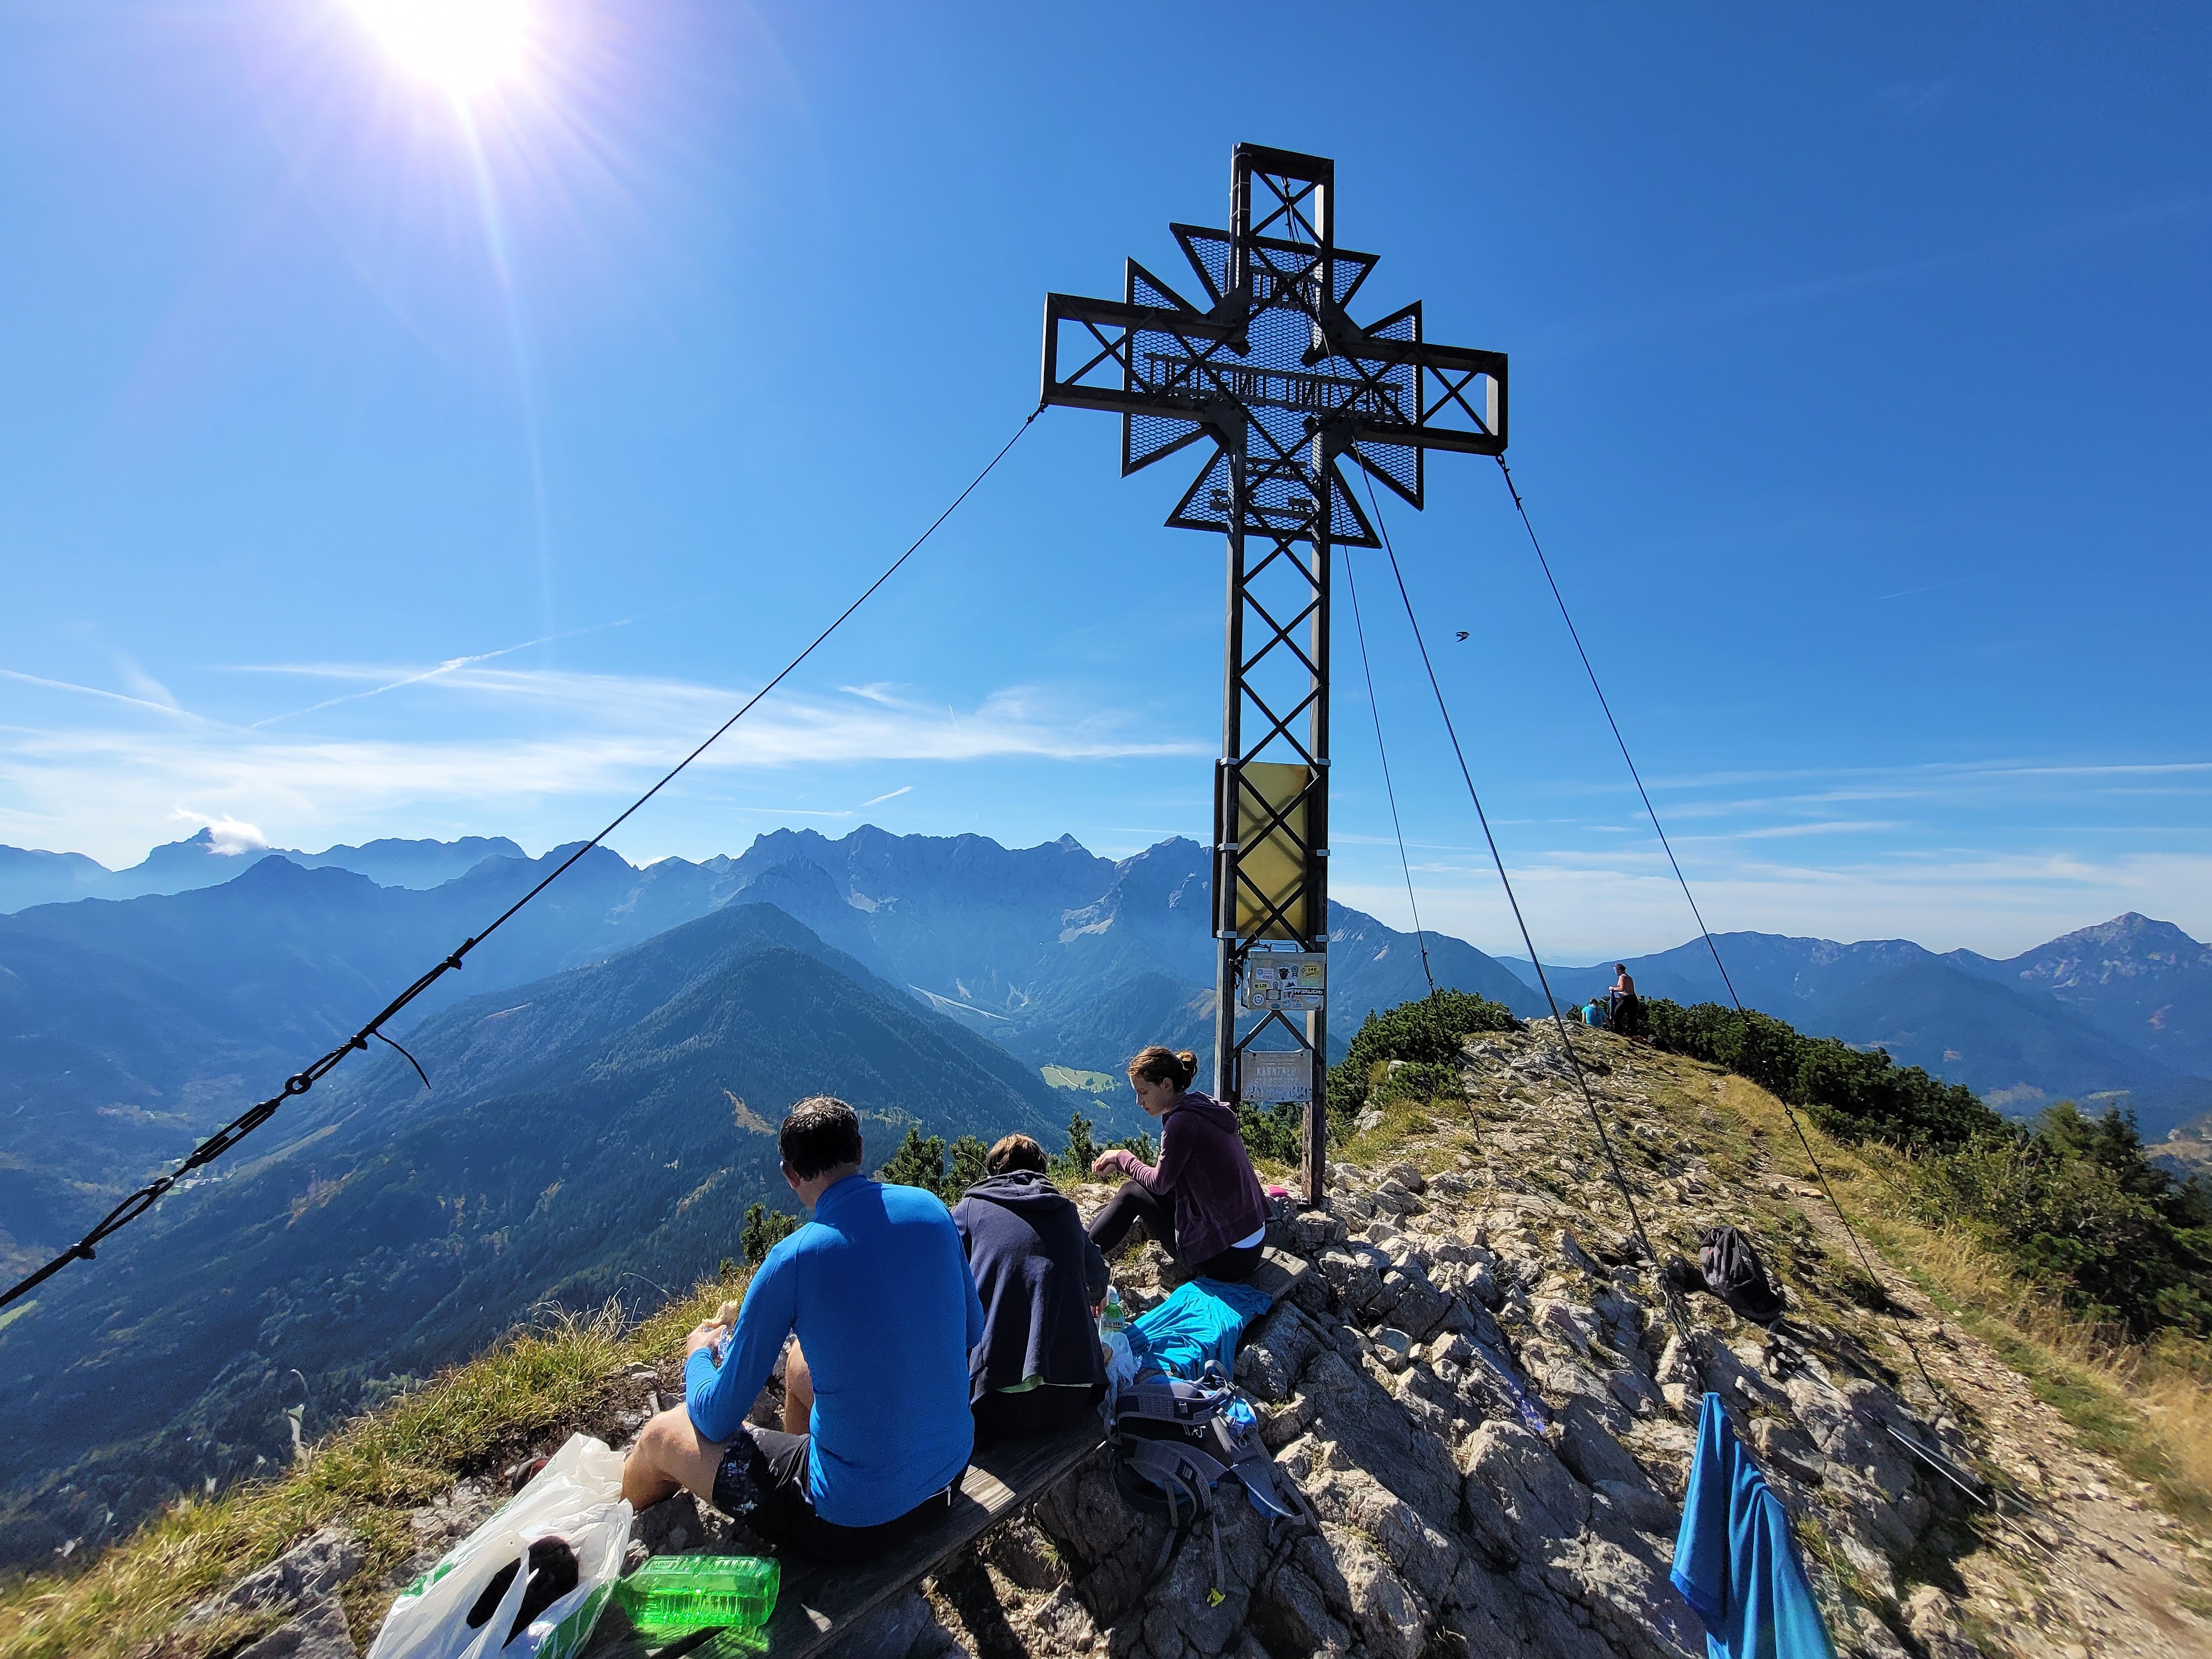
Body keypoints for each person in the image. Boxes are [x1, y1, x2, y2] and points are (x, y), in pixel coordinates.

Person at [620, 1095, 984, 1560]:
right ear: (860, 1149)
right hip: (949, 1479)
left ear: (790, 1175)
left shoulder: (791, 1260)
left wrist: (697, 1355)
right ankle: (810, 1457)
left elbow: (714, 1418)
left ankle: (611, 1526)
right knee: (797, 1363)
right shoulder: (932, 1210)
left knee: (659, 1436)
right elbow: (972, 1332)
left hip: (855, 1522)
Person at [952, 1133, 1109, 1444]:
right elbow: (1098, 1279)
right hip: (1074, 1398)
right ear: (1042, 1171)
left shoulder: (970, 1209)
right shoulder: (1064, 1210)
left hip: (994, 1404)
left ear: (993, 1173)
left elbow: (944, 1283)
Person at [1086, 1046, 1270, 1283]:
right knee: (1137, 1190)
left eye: (1143, 1092)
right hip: (1251, 1240)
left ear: (1166, 1085)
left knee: (1132, 1193)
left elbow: (1159, 1184)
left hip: (1229, 1258)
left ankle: (1076, 1255)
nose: (1139, 1101)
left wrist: (1122, 1157)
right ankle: (1080, 1247)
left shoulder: (1182, 1123)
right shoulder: (1202, 1105)